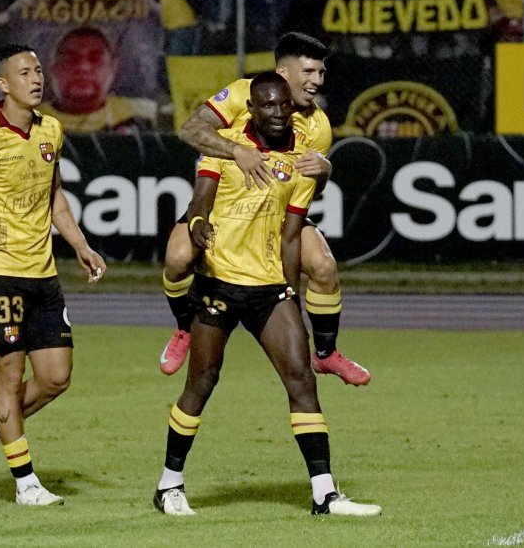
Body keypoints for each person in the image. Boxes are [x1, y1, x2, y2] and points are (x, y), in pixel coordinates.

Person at [152, 73, 380, 518]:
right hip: (219, 285)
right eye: (268, 106)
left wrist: (291, 292)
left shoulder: (301, 160)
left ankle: (324, 494)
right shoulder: (224, 147)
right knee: (201, 383)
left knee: (302, 380)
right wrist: (199, 229)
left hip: (270, 290)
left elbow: (293, 235)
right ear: (251, 108)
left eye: (283, 106)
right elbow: (199, 208)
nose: (278, 113)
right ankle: (169, 485)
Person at [0, 44, 107, 507]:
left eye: (38, 70)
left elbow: (55, 199)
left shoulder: (51, 130)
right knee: (7, 378)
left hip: (42, 275)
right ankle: (26, 483)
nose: (36, 78)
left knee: (55, 377)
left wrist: (81, 245)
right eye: (24, 72)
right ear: (3, 84)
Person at [159, 32, 370, 386]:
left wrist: (326, 173)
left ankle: (326, 353)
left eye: (321, 73)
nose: (316, 81)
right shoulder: (244, 92)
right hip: (224, 203)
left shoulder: (318, 125)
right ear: (283, 73)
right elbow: (191, 129)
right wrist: (235, 151)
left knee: (323, 265)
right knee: (178, 258)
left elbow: (306, 190)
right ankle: (185, 329)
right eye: (309, 72)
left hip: (275, 212)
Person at [38, 27, 157, 133]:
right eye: (70, 59)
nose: (83, 67)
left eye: (95, 59)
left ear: (113, 67)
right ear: (52, 68)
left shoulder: (143, 114)